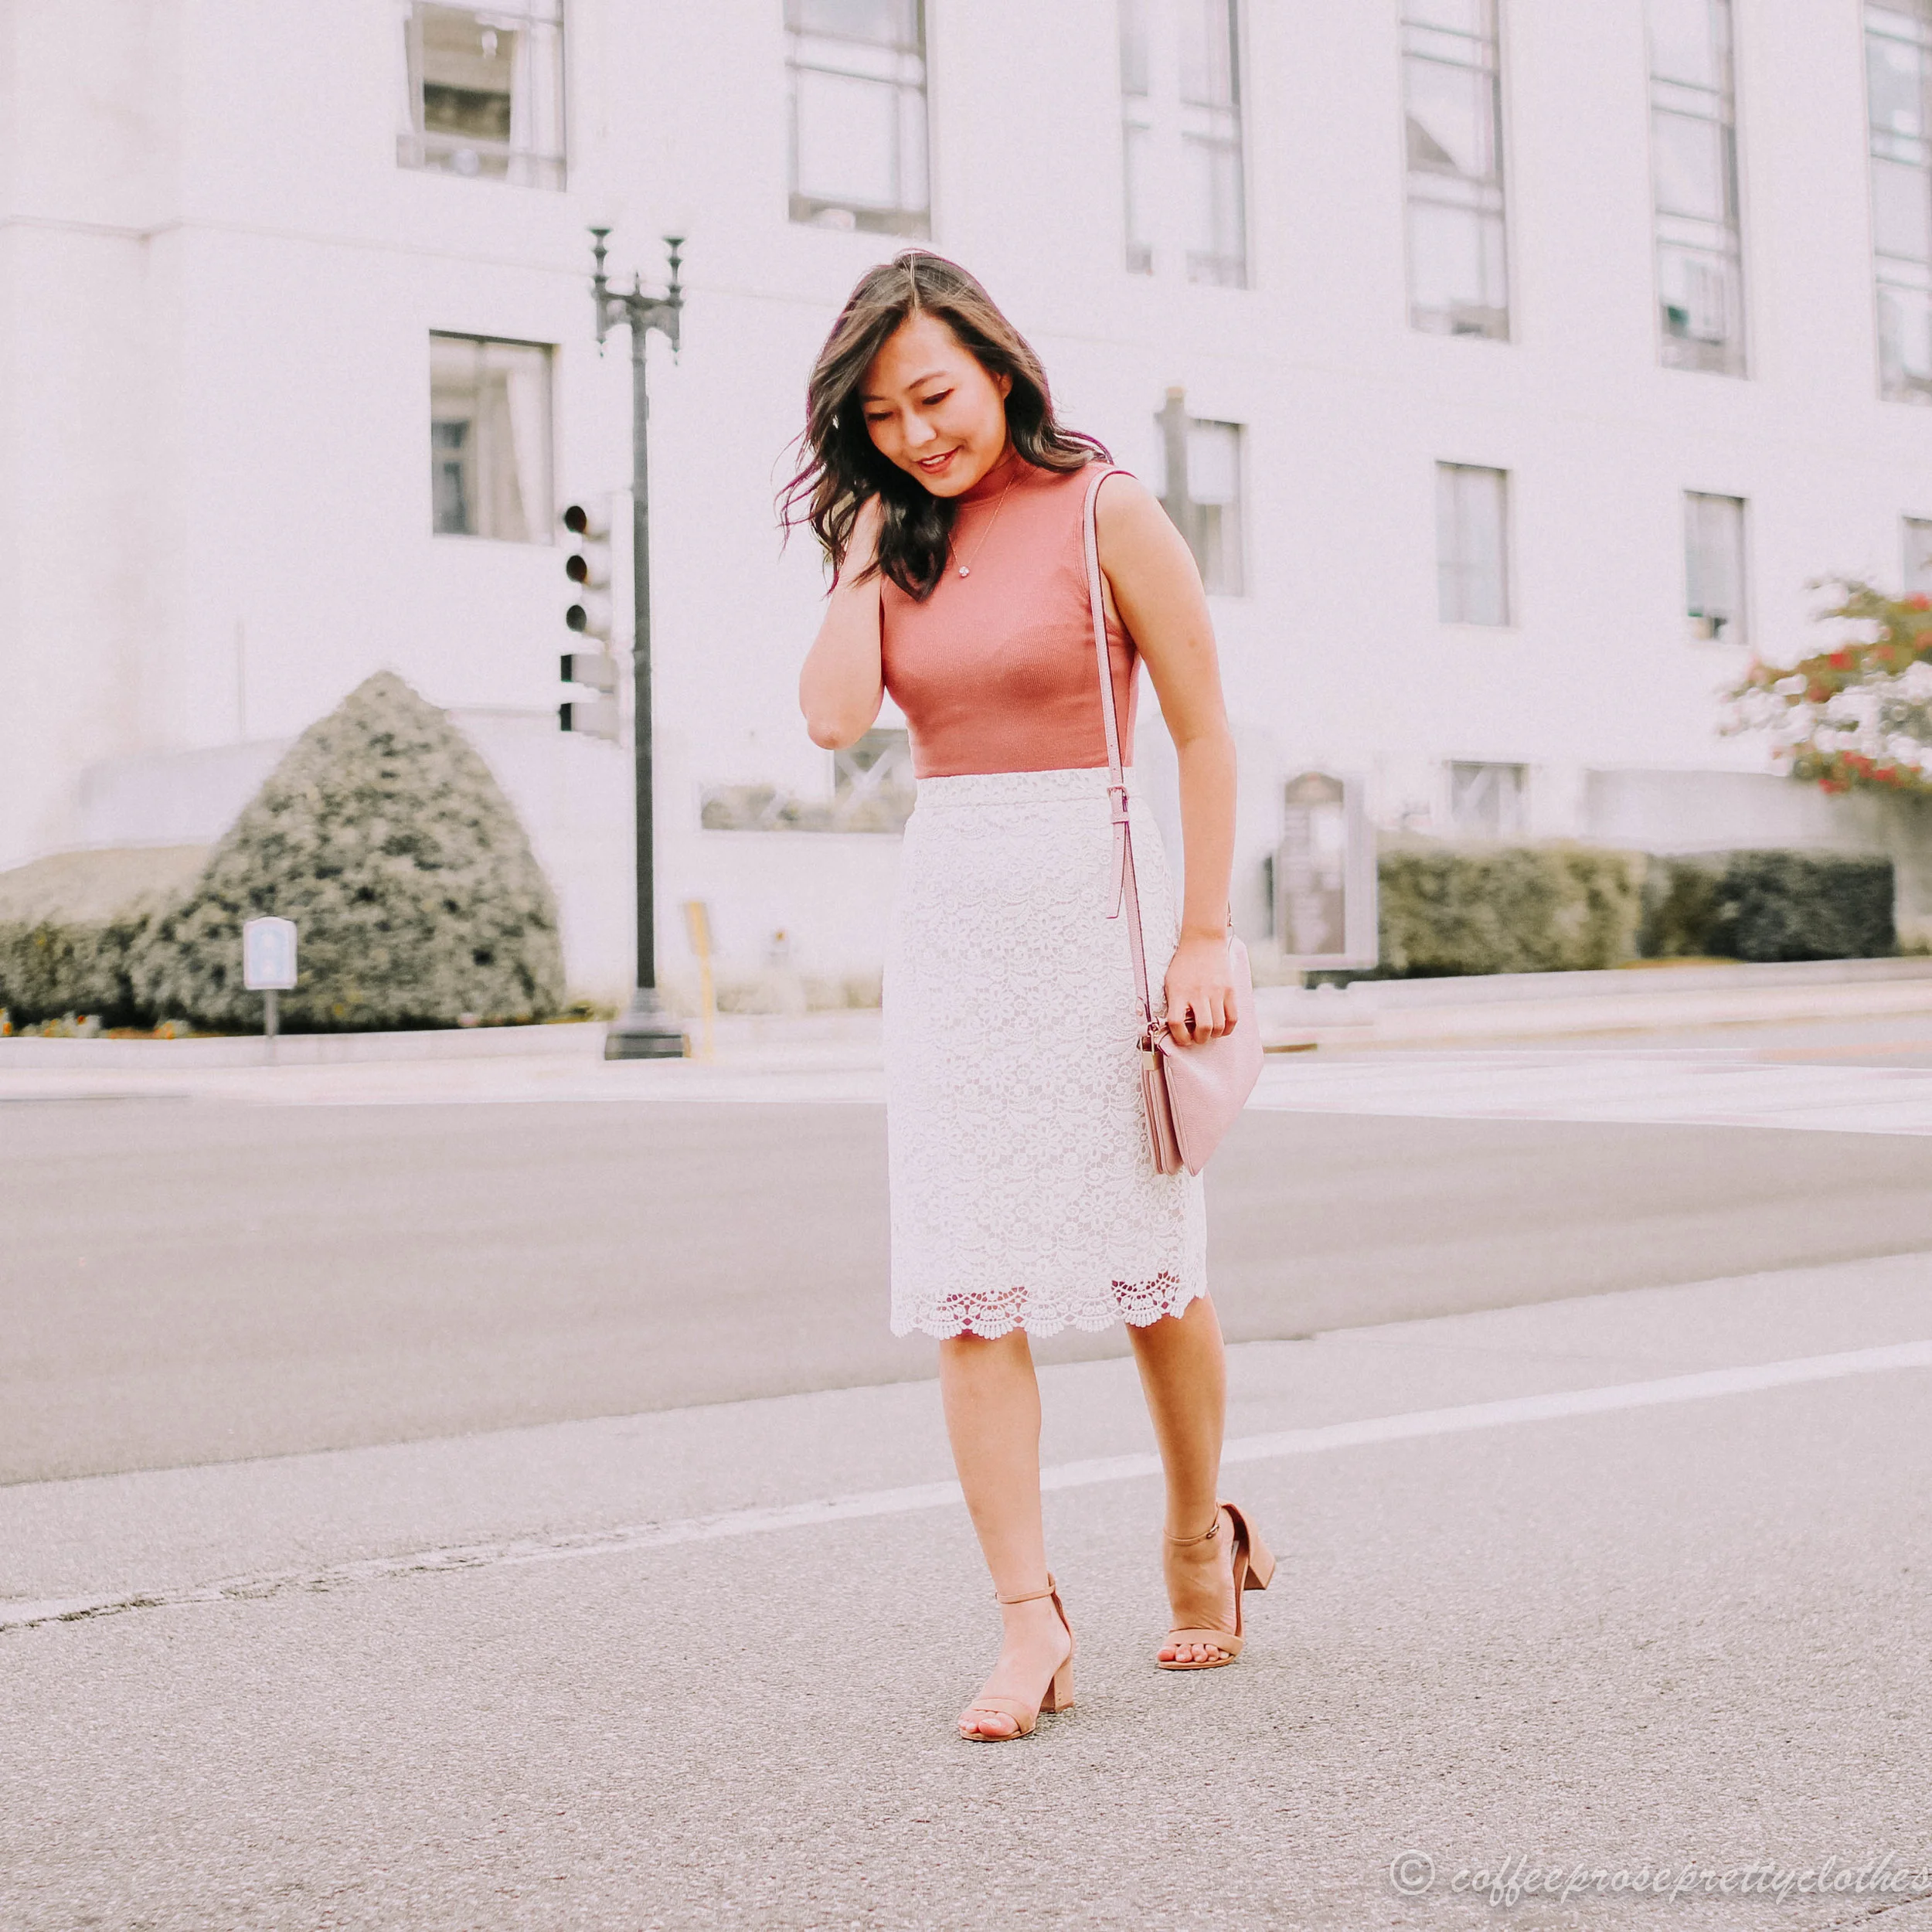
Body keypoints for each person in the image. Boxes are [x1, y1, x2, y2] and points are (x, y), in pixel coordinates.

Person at [790, 251, 1271, 1741]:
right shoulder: (899, 534)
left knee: (1152, 1274)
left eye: (934, 395)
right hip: (953, 926)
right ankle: (1029, 1621)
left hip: (1098, 911)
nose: (918, 432)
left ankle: (1200, 1534)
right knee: (967, 1285)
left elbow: (1202, 730)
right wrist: (869, 545)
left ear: (1000, 367)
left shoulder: (1105, 509)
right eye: (881, 417)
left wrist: (1205, 937)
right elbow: (828, 719)